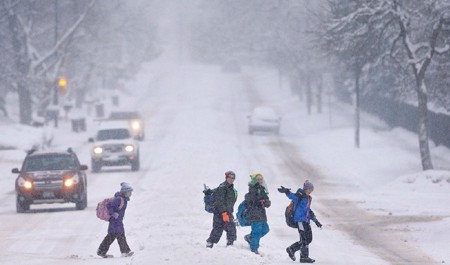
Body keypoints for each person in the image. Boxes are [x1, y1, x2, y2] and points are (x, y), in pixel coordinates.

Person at [278, 180, 322, 263]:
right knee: (304, 239)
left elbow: (308, 210)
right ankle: (303, 256)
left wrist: (315, 220)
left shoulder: (309, 198)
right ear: (305, 189)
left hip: (306, 221)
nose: (311, 191)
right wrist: (286, 191)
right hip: (299, 221)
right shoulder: (299, 196)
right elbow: (292, 196)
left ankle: (293, 250)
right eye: (309, 189)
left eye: (311, 190)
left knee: (309, 239)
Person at [97, 182, 134, 258]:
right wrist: (113, 213)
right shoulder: (119, 199)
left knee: (116, 236)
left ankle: (102, 251)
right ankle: (125, 251)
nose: (131, 194)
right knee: (116, 236)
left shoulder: (124, 199)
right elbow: (109, 205)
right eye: (130, 192)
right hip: (115, 221)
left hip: (118, 221)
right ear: (125, 192)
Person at [206, 170, 238, 248]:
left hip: (228, 212)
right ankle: (210, 242)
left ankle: (230, 243)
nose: (231, 179)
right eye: (230, 177)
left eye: (233, 178)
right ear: (226, 177)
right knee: (218, 229)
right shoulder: (222, 187)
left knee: (231, 228)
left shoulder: (231, 189)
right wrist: (223, 213)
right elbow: (219, 201)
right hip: (220, 213)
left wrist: (228, 212)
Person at [243, 173, 271, 254]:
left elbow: (267, 201)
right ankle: (254, 249)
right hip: (254, 214)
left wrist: (266, 202)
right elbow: (250, 199)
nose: (260, 181)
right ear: (254, 180)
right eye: (258, 179)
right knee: (257, 231)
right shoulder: (252, 189)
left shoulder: (262, 189)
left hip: (262, 214)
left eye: (261, 179)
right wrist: (259, 200)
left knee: (265, 229)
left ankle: (250, 238)